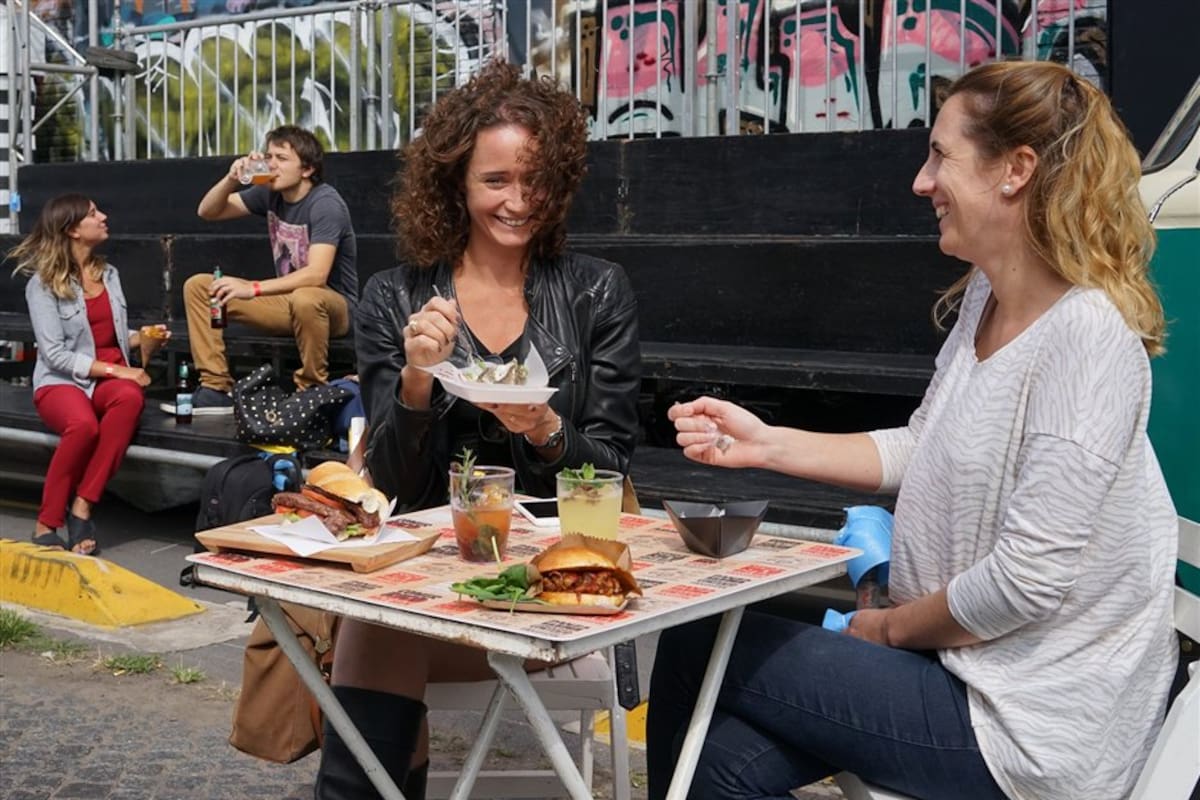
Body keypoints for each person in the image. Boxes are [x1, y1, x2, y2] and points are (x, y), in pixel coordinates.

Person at [647, 61, 1177, 800]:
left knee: (696, 642)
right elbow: (923, 446)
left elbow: (1024, 584)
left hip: (1023, 727)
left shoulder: (1087, 340)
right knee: (723, 760)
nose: (921, 182)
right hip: (954, 671)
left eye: (941, 155)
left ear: (1016, 170)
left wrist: (889, 629)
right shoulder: (987, 300)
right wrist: (764, 442)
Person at [315, 60, 641, 800]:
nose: (517, 201)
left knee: (374, 626)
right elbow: (389, 490)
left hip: (557, 581)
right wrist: (418, 379)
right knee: (375, 619)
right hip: (433, 583)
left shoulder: (597, 291)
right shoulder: (394, 295)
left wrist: (548, 427)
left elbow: (615, 468)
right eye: (496, 180)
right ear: (456, 182)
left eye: (535, 181)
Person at [10, 194, 170, 555]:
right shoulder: (42, 284)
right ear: (72, 230)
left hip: (107, 378)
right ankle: (47, 522)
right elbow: (54, 355)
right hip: (61, 381)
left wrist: (144, 339)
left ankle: (82, 506)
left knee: (129, 399)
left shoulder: (109, 275)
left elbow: (113, 339)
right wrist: (120, 370)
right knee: (83, 426)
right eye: (94, 214)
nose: (104, 216)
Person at [162, 124, 358, 415]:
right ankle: (216, 387)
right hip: (287, 304)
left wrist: (252, 288)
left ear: (306, 169)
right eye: (269, 156)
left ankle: (311, 390)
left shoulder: (325, 203)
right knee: (201, 286)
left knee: (306, 295)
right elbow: (208, 211)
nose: (271, 164)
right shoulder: (269, 194)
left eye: (281, 158)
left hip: (334, 308)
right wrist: (232, 178)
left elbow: (317, 274)